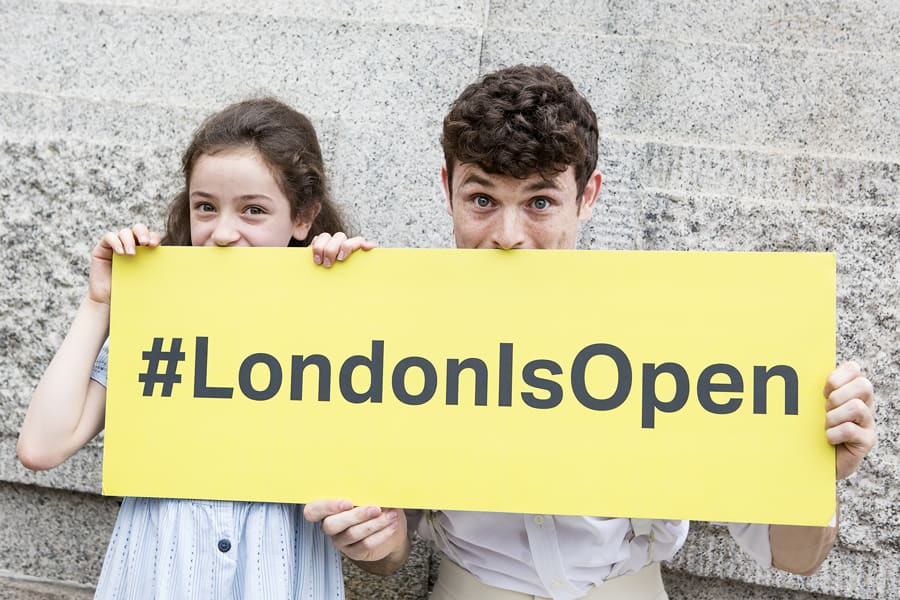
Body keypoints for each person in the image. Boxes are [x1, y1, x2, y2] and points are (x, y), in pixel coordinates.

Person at [304, 65, 878, 599]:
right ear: (447, 188)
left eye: (540, 202)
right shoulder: (399, 325)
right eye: (481, 199)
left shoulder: (680, 330)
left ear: (588, 197)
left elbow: (796, 556)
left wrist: (814, 474)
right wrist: (327, 296)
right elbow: (388, 548)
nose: (507, 235)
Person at [17, 98, 374, 599]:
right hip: (160, 574)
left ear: (303, 217)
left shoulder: (333, 319)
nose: (223, 233)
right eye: (206, 206)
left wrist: (357, 298)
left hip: (278, 575)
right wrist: (100, 303)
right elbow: (41, 447)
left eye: (253, 210)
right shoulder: (156, 323)